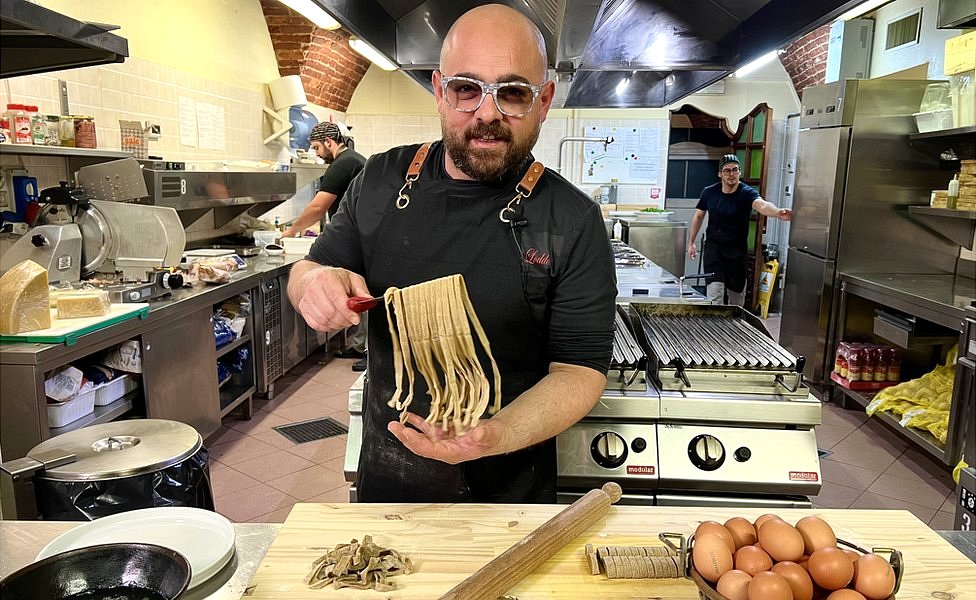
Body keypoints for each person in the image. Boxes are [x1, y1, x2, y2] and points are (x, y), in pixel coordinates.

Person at [287, 4, 616, 503]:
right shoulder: (379, 180)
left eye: (513, 93)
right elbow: (309, 269)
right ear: (440, 91)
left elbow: (578, 371)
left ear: (544, 101)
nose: (487, 114)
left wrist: (496, 434)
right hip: (389, 477)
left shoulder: (572, 221)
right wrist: (312, 283)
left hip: (510, 489)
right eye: (467, 89)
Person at [285, 121, 368, 370]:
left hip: (358, 238)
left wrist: (291, 231)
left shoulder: (342, 163)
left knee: (362, 291)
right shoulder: (354, 160)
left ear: (329, 142)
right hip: (362, 236)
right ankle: (360, 345)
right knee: (359, 290)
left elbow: (317, 206)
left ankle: (368, 350)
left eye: (316, 147)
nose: (317, 153)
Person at [687, 154, 792, 306]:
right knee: (715, 295)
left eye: (735, 170)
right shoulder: (709, 192)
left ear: (739, 172)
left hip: (737, 252)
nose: (731, 174)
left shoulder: (746, 193)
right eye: (727, 170)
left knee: (736, 299)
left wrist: (778, 212)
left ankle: (733, 321)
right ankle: (714, 321)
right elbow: (698, 215)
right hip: (714, 250)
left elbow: (762, 205)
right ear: (720, 174)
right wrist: (691, 242)